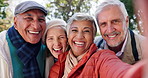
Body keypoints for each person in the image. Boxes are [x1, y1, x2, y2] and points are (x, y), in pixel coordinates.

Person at [49, 13, 132, 78]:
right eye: (74, 30)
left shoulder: (102, 57)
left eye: (86, 31)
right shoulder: (57, 67)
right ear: (68, 35)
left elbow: (118, 70)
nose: (79, 36)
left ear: (93, 37)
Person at [0, 1, 47, 78]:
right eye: (29, 18)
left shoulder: (48, 46)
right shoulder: (2, 45)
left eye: (41, 19)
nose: (36, 26)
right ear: (15, 22)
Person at [94, 0, 145, 64]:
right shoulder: (92, 46)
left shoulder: (145, 48)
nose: (110, 30)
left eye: (115, 21)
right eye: (103, 24)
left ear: (126, 21)